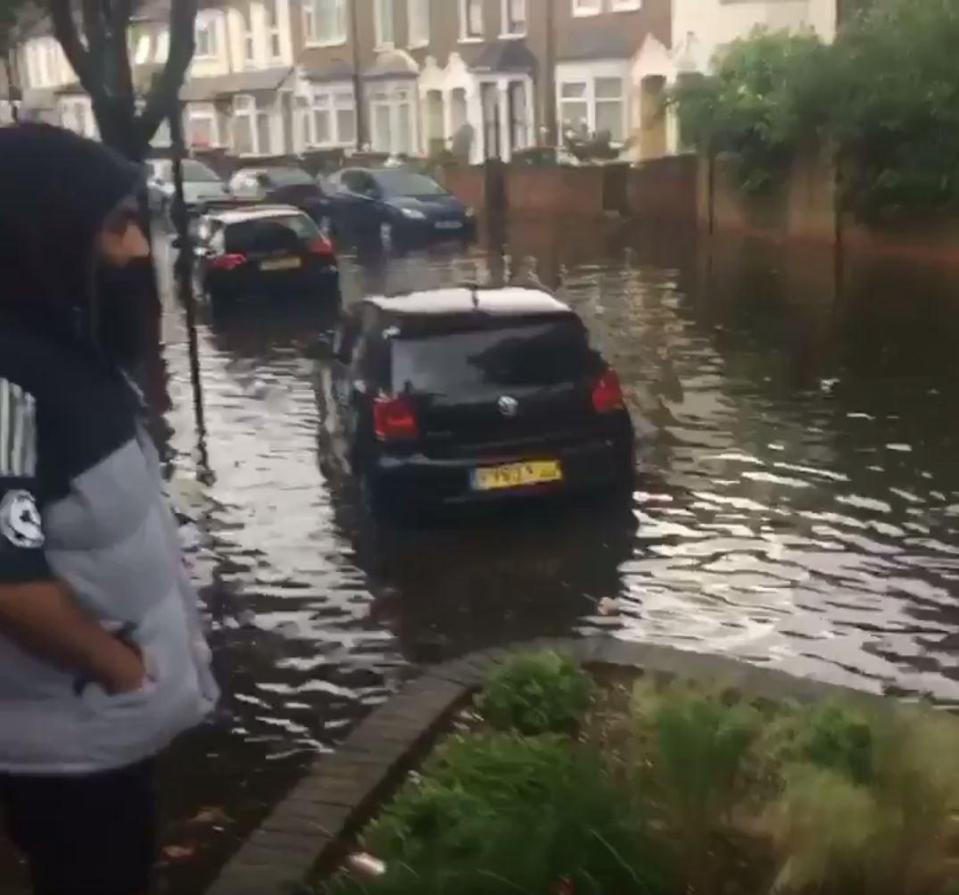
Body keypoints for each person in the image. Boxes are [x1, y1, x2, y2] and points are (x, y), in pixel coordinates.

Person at [0, 124, 218, 894]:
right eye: (116, 227)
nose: (136, 251)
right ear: (45, 235)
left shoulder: (68, 347)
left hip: (104, 734)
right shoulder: (6, 381)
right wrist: (118, 668)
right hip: (68, 744)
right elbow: (8, 578)